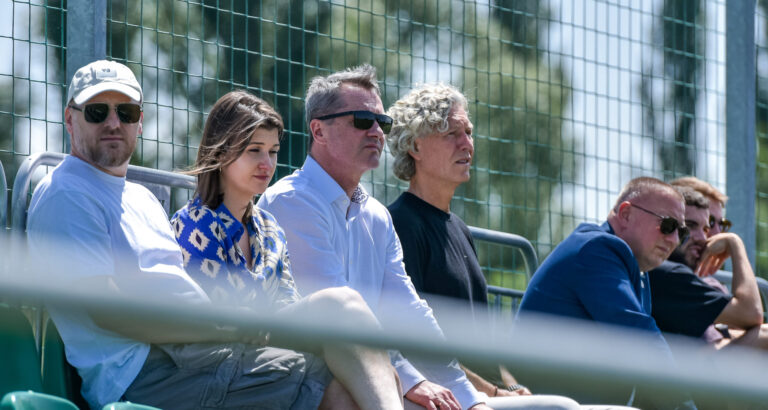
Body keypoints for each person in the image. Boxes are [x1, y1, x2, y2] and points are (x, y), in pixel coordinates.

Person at [26, 60, 400, 409]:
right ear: (70, 119)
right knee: (339, 381)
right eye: (97, 111)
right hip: (149, 371)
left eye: (125, 112)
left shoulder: (139, 196)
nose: (113, 123)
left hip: (197, 353)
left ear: (140, 122)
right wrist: (222, 324)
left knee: (361, 365)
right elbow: (108, 311)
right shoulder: (67, 192)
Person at [258, 65, 491, 410]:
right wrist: (415, 380)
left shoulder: (377, 217)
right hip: (302, 381)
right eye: (362, 121)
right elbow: (342, 326)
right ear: (318, 130)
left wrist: (472, 401)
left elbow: (410, 314)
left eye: (382, 124)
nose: (377, 133)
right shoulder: (293, 202)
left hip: (363, 379)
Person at [169, 89, 404, 409]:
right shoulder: (194, 225)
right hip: (222, 371)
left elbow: (288, 307)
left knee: (369, 381)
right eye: (254, 151)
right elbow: (220, 327)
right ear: (222, 153)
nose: (267, 163)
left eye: (273, 151)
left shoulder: (269, 229)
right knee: (341, 303)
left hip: (273, 352)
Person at [385, 83, 592, 410]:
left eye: (468, 132)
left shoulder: (460, 229)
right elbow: (418, 347)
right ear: (415, 146)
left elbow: (483, 342)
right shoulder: (400, 224)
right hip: (452, 395)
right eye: (451, 133)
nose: (466, 143)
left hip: (486, 394)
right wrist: (495, 394)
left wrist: (514, 385)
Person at [517, 177, 694, 408]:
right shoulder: (597, 249)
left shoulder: (634, 267)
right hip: (545, 403)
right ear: (626, 214)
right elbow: (640, 340)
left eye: (681, 233)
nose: (674, 240)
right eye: (668, 225)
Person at [649, 179, 768, 350]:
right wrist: (736, 244)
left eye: (722, 225)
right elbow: (751, 315)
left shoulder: (708, 283)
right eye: (711, 223)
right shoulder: (667, 273)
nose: (714, 234)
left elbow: (740, 330)